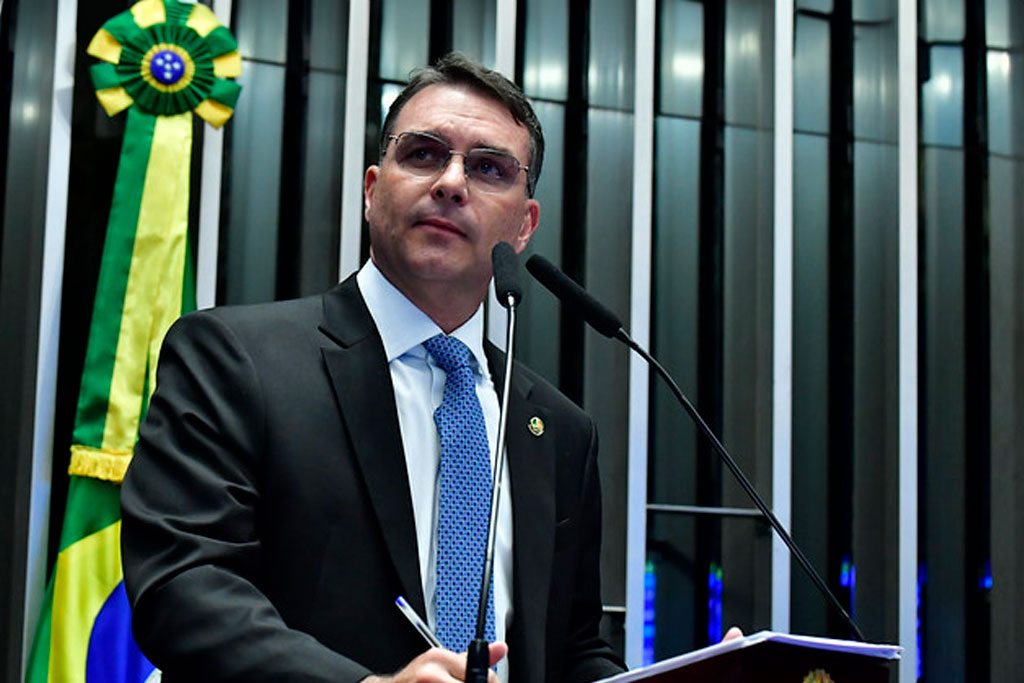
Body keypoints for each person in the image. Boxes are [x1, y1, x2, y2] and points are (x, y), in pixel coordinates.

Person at [121, 52, 627, 683]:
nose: (450, 182)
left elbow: (573, 646)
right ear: (371, 189)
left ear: (524, 225)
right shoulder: (233, 357)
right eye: (422, 154)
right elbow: (183, 583)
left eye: (489, 168)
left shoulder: (557, 427)